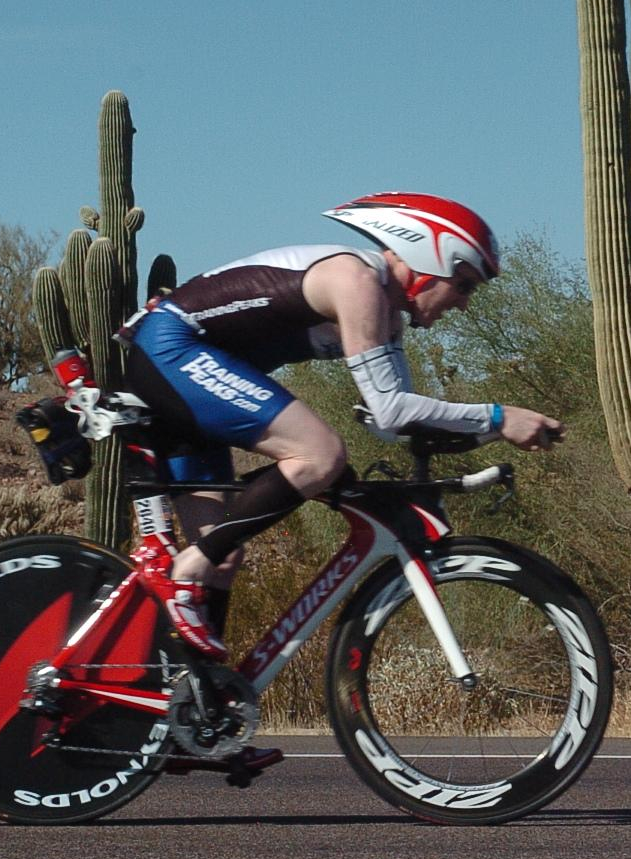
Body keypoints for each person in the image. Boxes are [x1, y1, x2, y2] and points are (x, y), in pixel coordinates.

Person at [120, 191, 563, 662]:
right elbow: (392, 410)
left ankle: (190, 695)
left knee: (222, 557)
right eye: (464, 284)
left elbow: (394, 421)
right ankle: (185, 572)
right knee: (319, 455)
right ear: (430, 257)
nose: (464, 304)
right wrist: (499, 417)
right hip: (172, 351)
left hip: (188, 375)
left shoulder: (386, 315)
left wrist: (488, 434)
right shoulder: (357, 281)